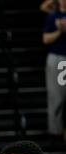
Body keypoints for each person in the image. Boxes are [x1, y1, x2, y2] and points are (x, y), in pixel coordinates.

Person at [43, 0, 66, 142]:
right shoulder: (53, 16)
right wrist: (60, 31)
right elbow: (46, 39)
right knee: (57, 96)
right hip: (59, 59)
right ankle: (55, 132)